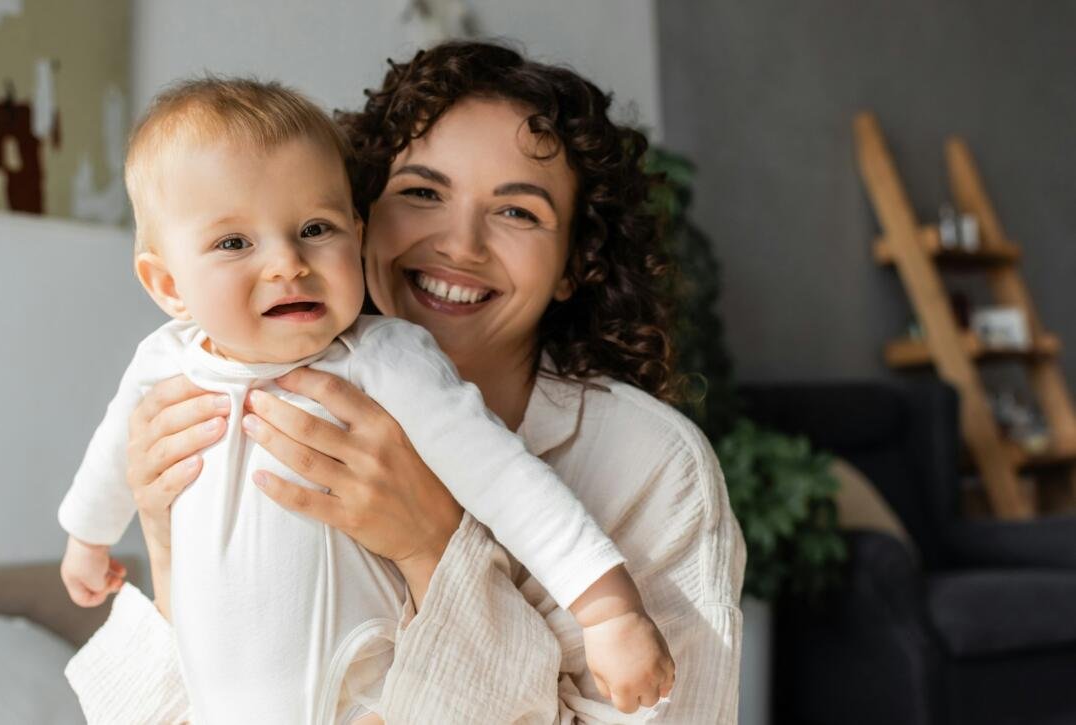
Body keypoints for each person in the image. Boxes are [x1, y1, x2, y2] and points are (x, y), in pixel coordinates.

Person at [67, 41, 745, 723]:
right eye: (422, 193)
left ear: (575, 262)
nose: (461, 245)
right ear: (365, 222)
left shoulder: (655, 466)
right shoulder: (190, 369)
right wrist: (162, 542)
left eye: (518, 212)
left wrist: (432, 546)